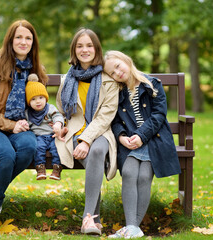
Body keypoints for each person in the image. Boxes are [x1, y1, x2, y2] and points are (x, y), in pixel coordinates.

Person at [0, 19, 48, 233]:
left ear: (33, 43)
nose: (23, 42)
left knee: (29, 148)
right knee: (6, 154)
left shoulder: (36, 70)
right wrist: (8, 124)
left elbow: (41, 105)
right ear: (10, 40)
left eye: (28, 38)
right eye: (19, 37)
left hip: (20, 128)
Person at [103, 50, 181, 239]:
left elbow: (159, 115)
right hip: (129, 143)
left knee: (144, 176)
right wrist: (121, 137)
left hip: (153, 139)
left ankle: (131, 228)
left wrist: (141, 135)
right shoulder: (118, 92)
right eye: (112, 73)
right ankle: (133, 229)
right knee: (129, 172)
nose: (117, 73)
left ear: (126, 61)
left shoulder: (152, 85)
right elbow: (114, 120)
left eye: (118, 66)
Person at [55, 28, 119, 235]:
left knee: (97, 151)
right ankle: (94, 219)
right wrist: (59, 124)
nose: (85, 50)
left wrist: (87, 140)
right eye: (80, 46)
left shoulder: (108, 80)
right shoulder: (67, 80)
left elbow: (105, 116)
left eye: (89, 45)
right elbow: (61, 110)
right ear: (74, 50)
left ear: (96, 49)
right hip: (73, 134)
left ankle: (87, 217)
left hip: (100, 132)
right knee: (95, 158)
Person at [24, 74, 64, 180]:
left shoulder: (49, 108)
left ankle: (56, 169)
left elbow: (58, 116)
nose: (38, 101)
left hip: (52, 135)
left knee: (56, 149)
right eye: (33, 99)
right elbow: (25, 124)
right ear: (29, 102)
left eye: (41, 98)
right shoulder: (28, 113)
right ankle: (40, 169)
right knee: (38, 149)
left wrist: (57, 123)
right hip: (38, 136)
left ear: (45, 98)